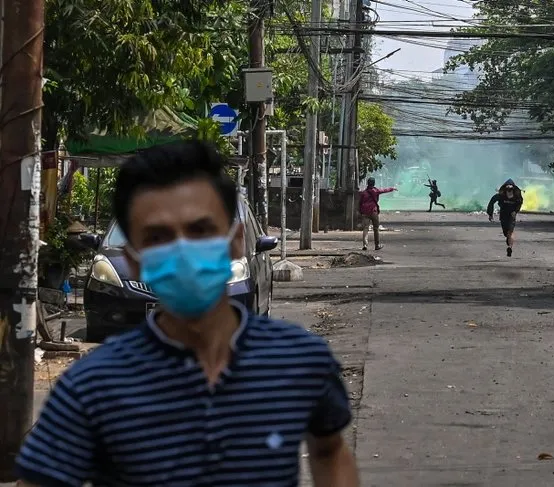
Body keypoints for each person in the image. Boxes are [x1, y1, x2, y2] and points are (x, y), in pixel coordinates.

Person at [14, 141, 360, 487]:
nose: (182, 251)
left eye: (200, 230)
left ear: (235, 241)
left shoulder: (299, 361)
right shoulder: (92, 387)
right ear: (134, 259)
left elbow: (330, 451)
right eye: (158, 237)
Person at [487, 179, 523, 257]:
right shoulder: (501, 195)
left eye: (511, 189)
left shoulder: (517, 195)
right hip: (503, 215)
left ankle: (510, 247)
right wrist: (490, 214)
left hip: (511, 215)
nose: (509, 191)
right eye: (508, 189)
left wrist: (515, 211)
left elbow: (520, 202)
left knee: (510, 232)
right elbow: (492, 201)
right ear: (505, 189)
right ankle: (509, 240)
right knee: (506, 233)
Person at [359, 177, 396, 251]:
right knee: (376, 229)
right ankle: (377, 245)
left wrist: (361, 211)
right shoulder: (375, 191)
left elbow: (360, 203)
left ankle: (365, 245)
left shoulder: (364, 193)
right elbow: (384, 190)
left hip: (365, 212)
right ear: (374, 183)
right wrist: (392, 188)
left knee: (365, 228)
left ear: (367, 183)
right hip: (373, 212)